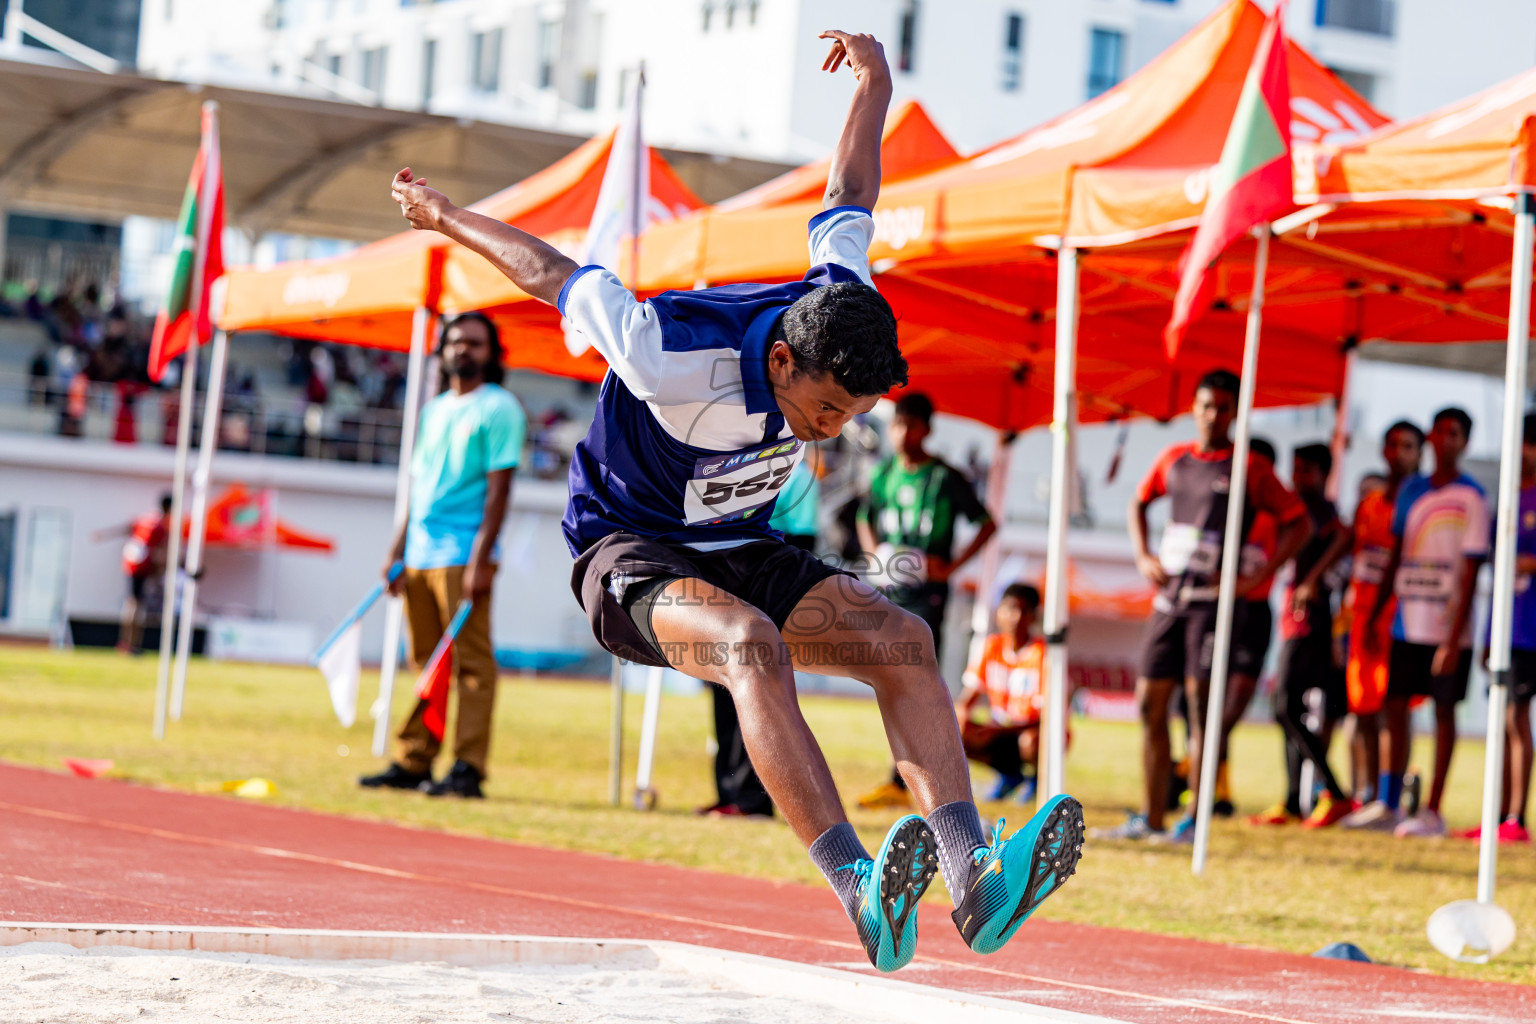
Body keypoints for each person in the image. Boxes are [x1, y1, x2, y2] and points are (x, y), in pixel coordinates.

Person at [388, 29, 1083, 974]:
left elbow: (850, 196)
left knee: (905, 644)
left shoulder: (838, 301)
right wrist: (440, 213)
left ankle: (974, 877)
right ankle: (860, 890)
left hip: (737, 541)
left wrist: (876, 82)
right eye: (825, 409)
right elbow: (552, 273)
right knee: (749, 645)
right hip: (627, 556)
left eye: (853, 414)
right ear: (781, 362)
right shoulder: (666, 354)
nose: (833, 429)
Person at [1105, 369, 1311, 842]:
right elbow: (1138, 502)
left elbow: (1298, 523)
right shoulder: (1174, 458)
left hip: (1213, 604)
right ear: (1193, 409)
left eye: (1221, 407)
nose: (1212, 416)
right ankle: (1151, 816)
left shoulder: (1250, 467)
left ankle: (1194, 818)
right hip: (1169, 599)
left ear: (1235, 412)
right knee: (1149, 704)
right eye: (1204, 406)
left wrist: (1259, 574)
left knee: (1201, 707)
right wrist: (1142, 555)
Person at [360, 311, 524, 800]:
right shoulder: (434, 410)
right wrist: (395, 550)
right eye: (455, 341)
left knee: (471, 666)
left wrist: (480, 560)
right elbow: (418, 488)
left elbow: (499, 493)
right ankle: (415, 760)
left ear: (491, 354)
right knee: (426, 664)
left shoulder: (500, 408)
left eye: (474, 343)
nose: (462, 350)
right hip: (418, 555)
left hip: (462, 555)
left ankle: (467, 768)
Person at [854, 391, 998, 810]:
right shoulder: (884, 474)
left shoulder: (944, 478)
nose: (902, 434)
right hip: (891, 590)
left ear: (927, 429)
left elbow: (987, 523)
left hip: (927, 594)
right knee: (890, 679)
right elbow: (864, 515)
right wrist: (874, 554)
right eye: (898, 425)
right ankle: (901, 776)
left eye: (911, 425)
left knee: (919, 680)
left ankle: (923, 776)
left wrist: (952, 567)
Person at [1359, 407, 1488, 838]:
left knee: (1444, 712)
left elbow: (1470, 573)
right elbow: (1396, 554)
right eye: (1440, 432)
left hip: (1448, 627)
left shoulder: (1473, 497)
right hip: (1406, 622)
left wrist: (1453, 639)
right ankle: (1389, 801)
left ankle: (1433, 809)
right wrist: (1378, 613)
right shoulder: (1412, 491)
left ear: (1465, 443)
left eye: (1454, 434)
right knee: (1394, 707)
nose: (1445, 440)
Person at [696, 460, 825, 818]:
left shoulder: (799, 477)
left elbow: (801, 547)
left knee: (752, 702)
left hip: (759, 606)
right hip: (723, 595)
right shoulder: (736, 465)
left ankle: (752, 800)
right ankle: (728, 792)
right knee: (721, 698)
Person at [1248, 444, 1354, 828]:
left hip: (1311, 618)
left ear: (1325, 474)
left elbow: (1345, 535)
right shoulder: (1299, 509)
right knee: (1289, 708)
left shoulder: (1320, 511)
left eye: (1306, 471)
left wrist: (1311, 581)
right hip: (1296, 616)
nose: (1298, 478)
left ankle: (1335, 793)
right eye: (1296, 470)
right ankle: (1293, 801)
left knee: (1284, 707)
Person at [1454, 414, 1536, 844]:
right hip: (1506, 628)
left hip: (1531, 630)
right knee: (1503, 720)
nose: (1524, 453)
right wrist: (1488, 636)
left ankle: (1515, 818)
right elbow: (1495, 574)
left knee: (1515, 718)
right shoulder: (1504, 499)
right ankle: (1500, 814)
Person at [1339, 424, 1424, 828]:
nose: (1399, 452)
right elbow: (1352, 550)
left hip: (1399, 620)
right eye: (1392, 444)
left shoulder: (1419, 501)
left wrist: (1377, 616)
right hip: (1363, 619)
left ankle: (1391, 797)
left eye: (1408, 446)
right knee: (1364, 710)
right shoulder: (1370, 503)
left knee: (1395, 710)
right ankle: (1369, 793)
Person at [955, 583, 1058, 800]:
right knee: (957, 731)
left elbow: (1048, 719)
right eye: (1010, 609)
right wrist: (960, 717)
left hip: (1031, 731)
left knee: (1030, 742)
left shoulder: (1043, 653)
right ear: (999, 611)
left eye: (1024, 610)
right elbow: (966, 699)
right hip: (1000, 728)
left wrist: (997, 731)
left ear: (1034, 617)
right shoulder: (991, 645)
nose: (1016, 617)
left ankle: (1036, 781)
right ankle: (1009, 776)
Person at [92, 493, 173, 654]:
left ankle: (126, 643)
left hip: (131, 564)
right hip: (141, 567)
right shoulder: (160, 526)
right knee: (136, 606)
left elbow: (126, 528)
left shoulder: (145, 518)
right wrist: (160, 571)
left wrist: (103, 535)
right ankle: (131, 644)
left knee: (132, 604)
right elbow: (160, 551)